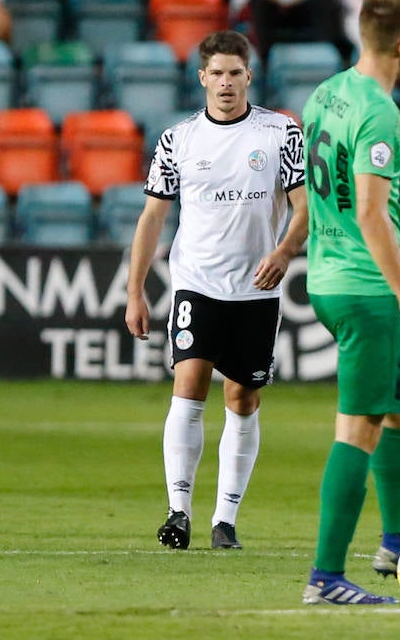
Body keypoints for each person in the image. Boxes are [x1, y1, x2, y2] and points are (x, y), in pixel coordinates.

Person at [126, 29, 307, 552]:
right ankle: (178, 510)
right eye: (217, 74)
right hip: (196, 282)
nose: (226, 83)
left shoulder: (280, 133)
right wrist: (135, 290)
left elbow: (304, 207)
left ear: (249, 76)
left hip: (256, 288)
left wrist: (284, 251)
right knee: (190, 384)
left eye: (235, 73)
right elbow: (152, 218)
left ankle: (225, 518)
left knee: (243, 397)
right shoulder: (178, 139)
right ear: (201, 78)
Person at [301, 0, 400, 605]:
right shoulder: (382, 113)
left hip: (324, 277)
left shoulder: (324, 93)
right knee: (358, 426)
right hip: (365, 290)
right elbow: (370, 212)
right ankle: (325, 577)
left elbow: (310, 187)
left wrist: (288, 249)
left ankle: (395, 536)